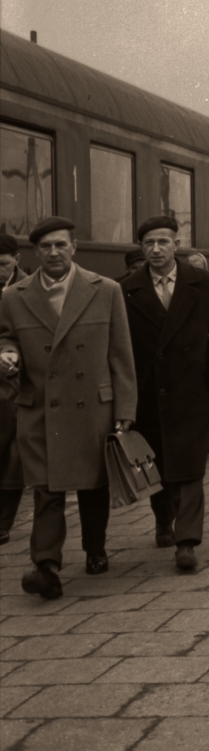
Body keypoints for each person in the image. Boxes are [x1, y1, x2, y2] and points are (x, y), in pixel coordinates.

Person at [0, 217, 136, 598]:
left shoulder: (104, 290)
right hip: (39, 408)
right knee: (45, 488)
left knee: (93, 484)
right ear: (35, 252)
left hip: (92, 404)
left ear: (74, 248)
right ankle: (45, 566)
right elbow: (6, 340)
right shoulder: (14, 297)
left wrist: (126, 408)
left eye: (61, 245)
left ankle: (95, 548)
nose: (54, 252)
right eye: (45, 247)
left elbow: (121, 355)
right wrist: (7, 357)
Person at [122, 215, 209, 571]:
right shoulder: (127, 288)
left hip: (192, 391)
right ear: (141, 248)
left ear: (177, 244)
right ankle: (164, 519)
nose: (156, 249)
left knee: (190, 467)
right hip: (147, 393)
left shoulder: (203, 283)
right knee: (158, 466)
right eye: (149, 243)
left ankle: (186, 541)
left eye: (163, 242)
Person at [0, 233, 28, 545]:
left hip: (16, 385)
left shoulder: (29, 289)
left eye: (2, 265)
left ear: (16, 260)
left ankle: (3, 522)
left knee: (13, 457)